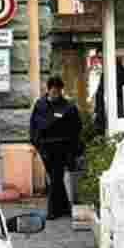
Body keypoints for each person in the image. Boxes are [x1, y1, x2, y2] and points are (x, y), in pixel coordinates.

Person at [30, 76, 83, 221]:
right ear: (48, 89)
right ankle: (65, 208)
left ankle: (52, 211)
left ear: (61, 90)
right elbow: (33, 125)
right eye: (53, 89)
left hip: (61, 148)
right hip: (45, 149)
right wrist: (36, 144)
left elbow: (76, 127)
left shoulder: (68, 106)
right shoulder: (40, 105)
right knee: (56, 179)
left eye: (58, 90)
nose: (55, 92)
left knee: (54, 178)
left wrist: (72, 149)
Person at [93, 60, 124, 135]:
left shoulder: (115, 74)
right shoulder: (109, 73)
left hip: (115, 114)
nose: (100, 61)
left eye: (101, 58)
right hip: (117, 114)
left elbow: (100, 94)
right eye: (98, 58)